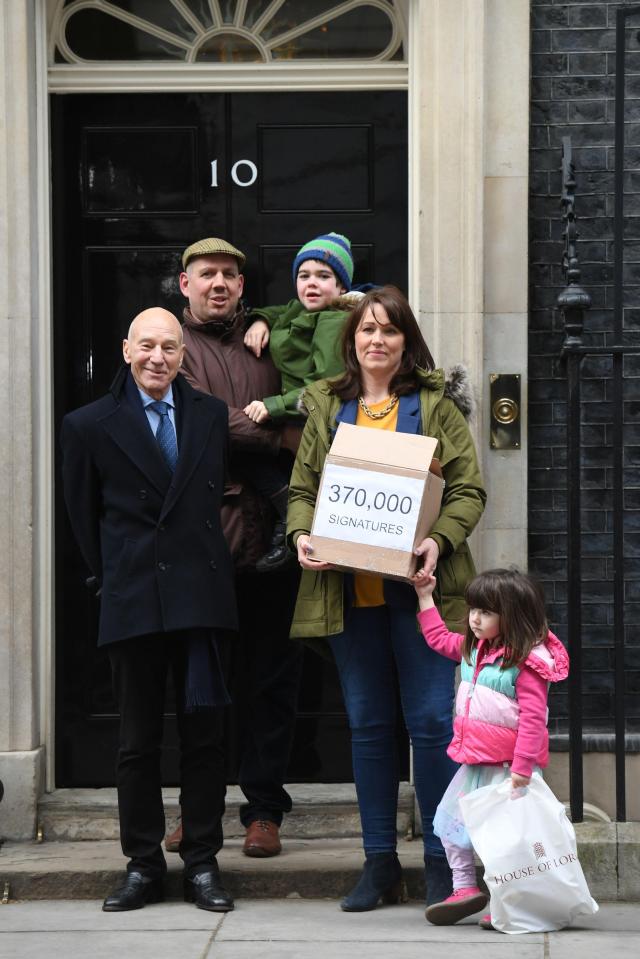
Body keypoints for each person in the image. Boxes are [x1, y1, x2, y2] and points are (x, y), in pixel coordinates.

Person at [287, 285, 487, 912]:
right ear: (351, 341)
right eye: (367, 330)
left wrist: (437, 540)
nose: (376, 340)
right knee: (369, 728)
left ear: (406, 341)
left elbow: (468, 491)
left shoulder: (434, 407)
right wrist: (299, 534)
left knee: (431, 727)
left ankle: (440, 860)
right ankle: (378, 865)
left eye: (389, 330)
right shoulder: (326, 404)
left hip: (423, 597)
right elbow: (302, 489)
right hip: (350, 594)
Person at [60, 308, 237, 913]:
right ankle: (142, 863)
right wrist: (113, 579)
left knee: (205, 740)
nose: (157, 357)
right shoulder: (87, 425)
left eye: (169, 347)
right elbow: (82, 518)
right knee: (136, 742)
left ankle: (204, 863)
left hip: (200, 599)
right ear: (125, 349)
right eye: (147, 346)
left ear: (183, 354)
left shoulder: (211, 416)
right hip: (133, 599)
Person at [168, 236, 303, 859]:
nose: (218, 283)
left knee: (270, 681)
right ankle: (196, 812)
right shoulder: (170, 346)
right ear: (185, 283)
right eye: (206, 274)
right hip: (206, 541)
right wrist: (276, 434)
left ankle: (264, 811)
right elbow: (197, 420)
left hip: (273, 547)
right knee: (203, 683)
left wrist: (277, 428)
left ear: (243, 287)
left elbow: (316, 409)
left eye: (229, 274)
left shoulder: (273, 340)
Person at [414, 567, 569, 929]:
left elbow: (533, 719)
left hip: (508, 770)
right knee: (449, 825)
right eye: (473, 609)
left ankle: (504, 902)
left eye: (485, 612)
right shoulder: (472, 649)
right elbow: (437, 638)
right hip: (473, 764)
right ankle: (464, 888)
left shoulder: (526, 663)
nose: (474, 618)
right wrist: (425, 596)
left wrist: (522, 769)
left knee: (503, 842)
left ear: (511, 616)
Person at [243, 232, 357, 571]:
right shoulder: (299, 309)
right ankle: (289, 522)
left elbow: (329, 384)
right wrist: (260, 320)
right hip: (295, 418)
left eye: (324, 277)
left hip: (314, 420)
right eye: (304, 275)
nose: (311, 284)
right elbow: (280, 310)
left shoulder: (334, 320)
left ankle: (289, 526)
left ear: (340, 288)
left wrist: (275, 405)